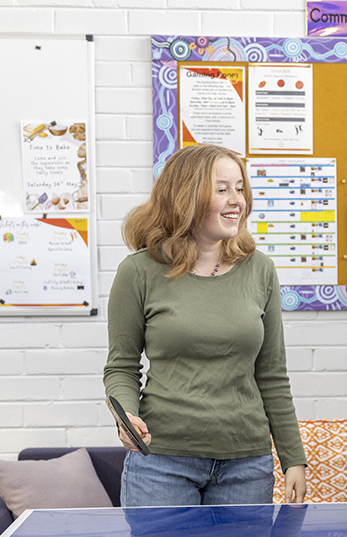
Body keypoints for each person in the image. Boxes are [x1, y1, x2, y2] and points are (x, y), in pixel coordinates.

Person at [103, 143, 307, 506]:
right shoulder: (138, 271)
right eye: (222, 189)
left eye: (240, 188)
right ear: (185, 197)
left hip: (247, 463)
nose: (237, 200)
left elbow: (272, 373)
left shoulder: (260, 269)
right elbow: (122, 366)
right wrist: (127, 416)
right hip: (161, 463)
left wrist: (294, 458)